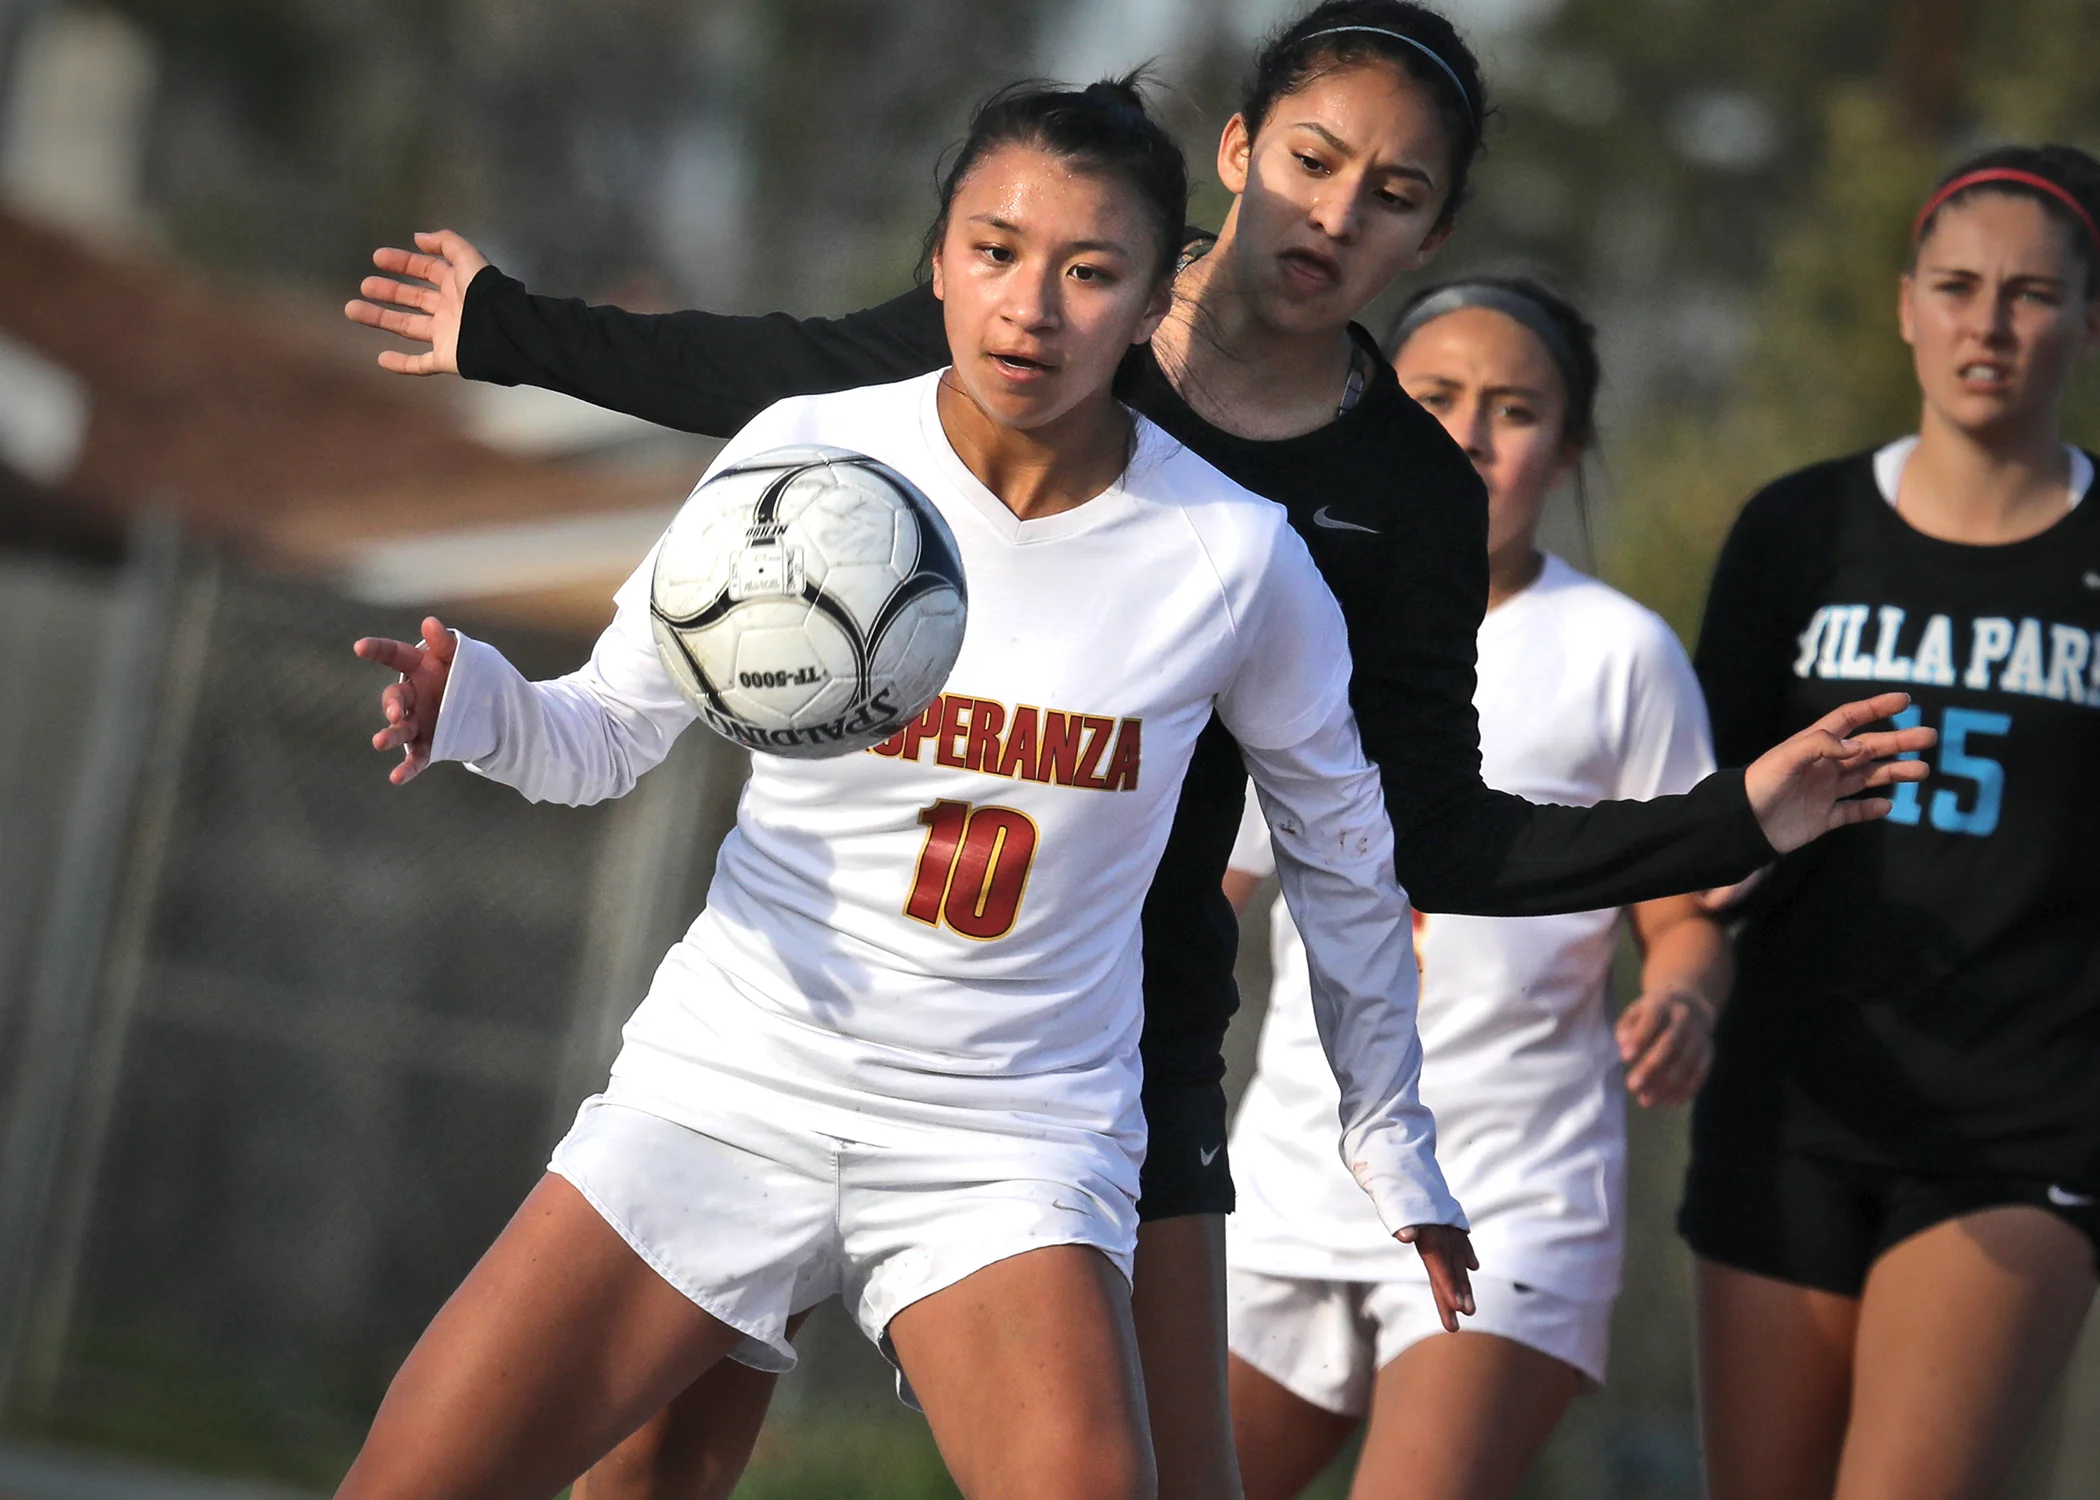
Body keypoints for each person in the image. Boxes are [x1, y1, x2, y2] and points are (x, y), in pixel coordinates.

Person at [342, 5, 1931, 1492]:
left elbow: (1402, 844)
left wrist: (1730, 825)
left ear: (1431, 232)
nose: (1332, 215)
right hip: (773, 1034)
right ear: (1236, 158)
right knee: (644, 1472)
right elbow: (763, 397)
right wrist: (506, 341)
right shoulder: (933, 384)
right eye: (1310, 160)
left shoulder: (1302, 534)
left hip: (1090, 1060)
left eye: (1390, 193)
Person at [339, 77, 1475, 1500]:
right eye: (995, 251)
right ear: (937, 259)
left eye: (1090, 271)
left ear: (1149, 303)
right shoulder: (806, 454)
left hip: (1006, 1136)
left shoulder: (1234, 559)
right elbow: (604, 737)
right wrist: (480, 710)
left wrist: (1392, 1138)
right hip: (735, 1080)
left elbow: (1348, 862)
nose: (1031, 308)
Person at [1219, 277, 1731, 1500]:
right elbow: (1208, 893)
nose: (1470, 433)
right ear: (1369, 409)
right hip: (1289, 1176)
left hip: (1513, 1190)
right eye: (1434, 396)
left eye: (1515, 409)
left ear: (1567, 448)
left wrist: (1686, 1000)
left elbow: (1685, 918)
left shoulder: (1621, 653)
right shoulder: (1295, 609)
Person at [1683, 144, 2100, 1500]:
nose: (1989, 324)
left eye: (2032, 295)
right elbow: (1706, 814)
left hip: (2021, 1123)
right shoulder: (1799, 529)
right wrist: (1676, 958)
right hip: (1790, 1097)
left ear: (2088, 322)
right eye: (1959, 286)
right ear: (1905, 302)